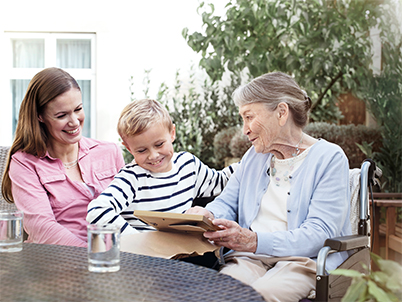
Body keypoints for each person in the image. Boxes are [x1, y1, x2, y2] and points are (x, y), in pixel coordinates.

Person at [186, 72, 351, 302]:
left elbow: (320, 233)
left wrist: (253, 240)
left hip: (303, 261)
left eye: (249, 117)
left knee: (261, 296)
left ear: (282, 112)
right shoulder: (253, 157)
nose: (245, 130)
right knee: (221, 292)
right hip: (251, 257)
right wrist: (208, 213)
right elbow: (226, 202)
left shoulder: (329, 158)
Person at [1, 67, 125, 247]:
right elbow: (42, 229)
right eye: (61, 115)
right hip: (59, 264)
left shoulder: (109, 152)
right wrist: (96, 254)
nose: (74, 121)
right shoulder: (24, 163)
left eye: (78, 109)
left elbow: (132, 211)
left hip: (118, 259)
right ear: (40, 116)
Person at [86, 99, 237, 235]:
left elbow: (222, 181)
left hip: (178, 252)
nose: (153, 155)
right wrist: (138, 241)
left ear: (172, 133)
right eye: (141, 150)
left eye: (159, 144)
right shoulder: (132, 178)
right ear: (128, 148)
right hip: (143, 258)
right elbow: (97, 211)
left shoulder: (188, 166)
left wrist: (254, 160)